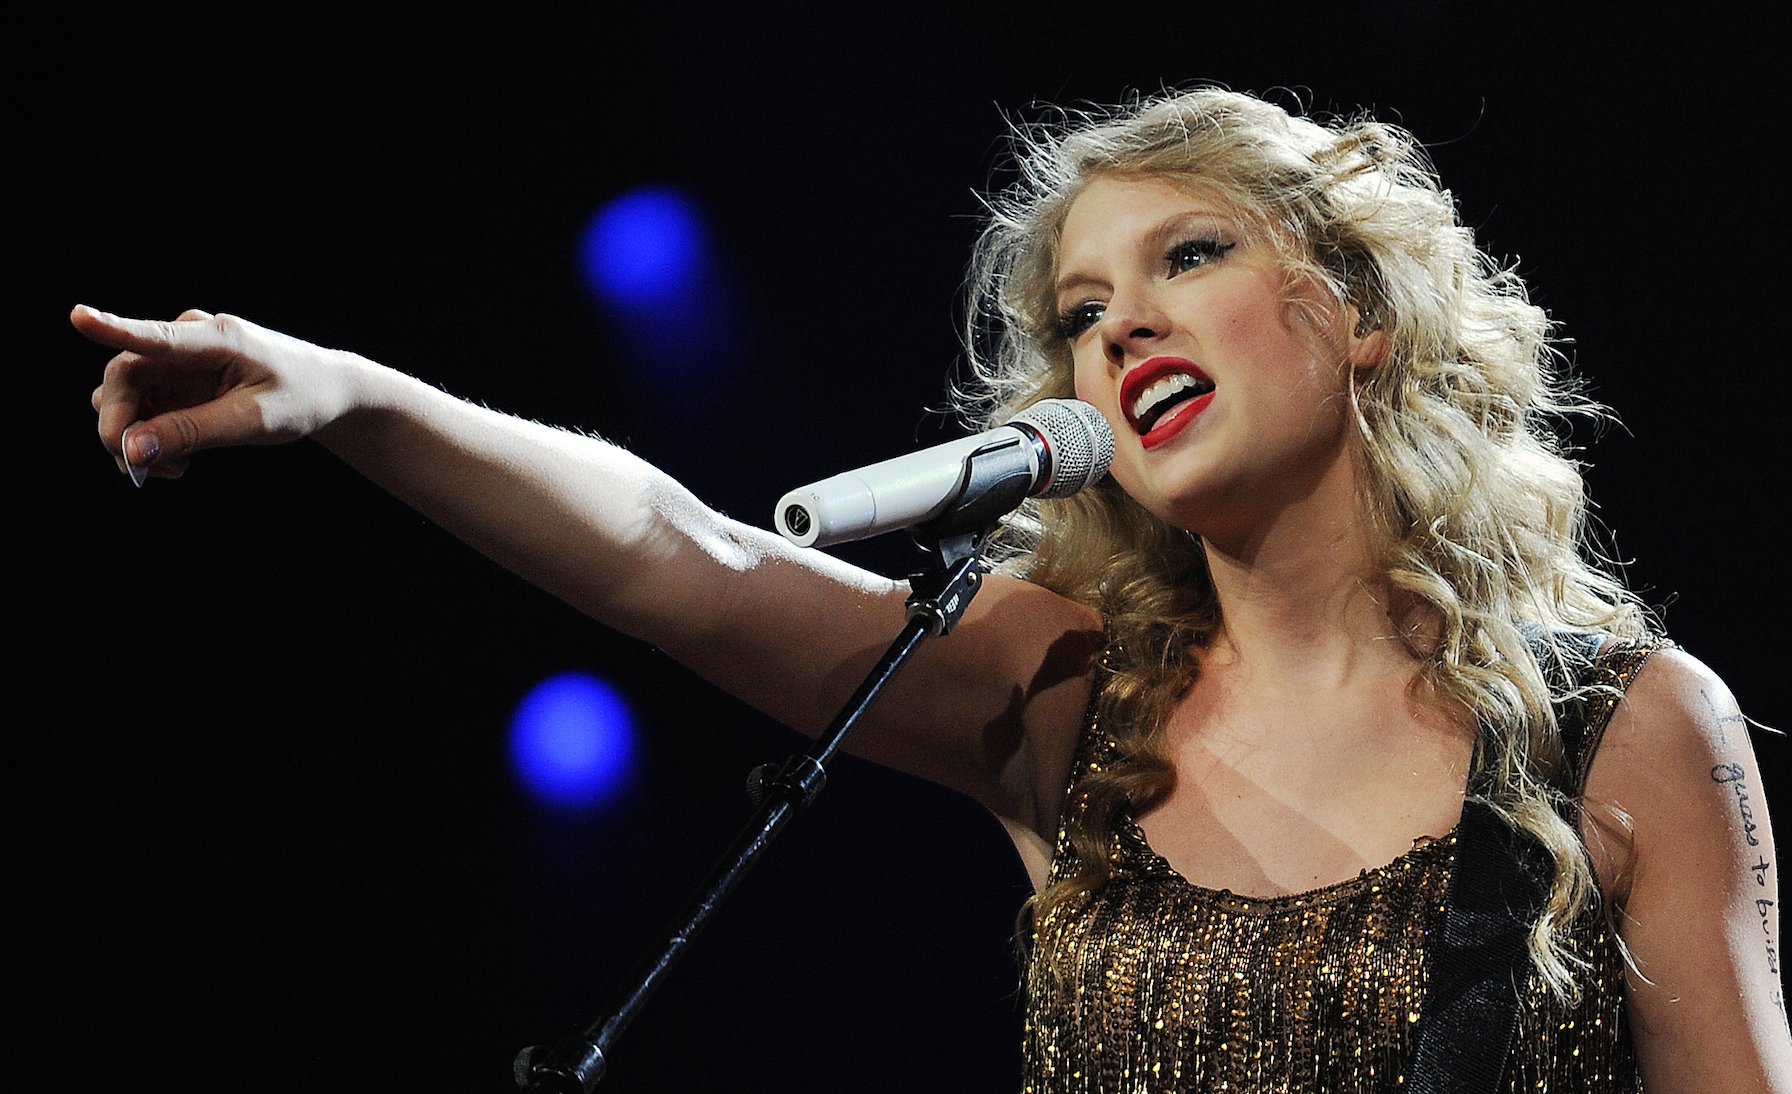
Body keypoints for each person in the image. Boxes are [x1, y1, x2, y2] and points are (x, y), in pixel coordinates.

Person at [76, 86, 1788, 1091]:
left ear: (1363, 309)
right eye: (1082, 311)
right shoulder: (1061, 694)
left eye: (1189, 256)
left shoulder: (1624, 728)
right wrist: (359, 397)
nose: (1120, 326)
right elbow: (687, 554)